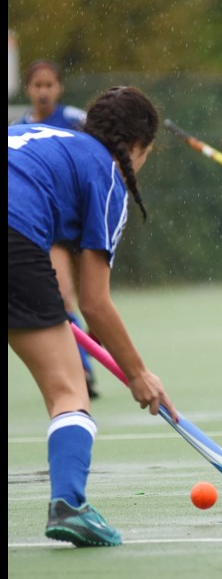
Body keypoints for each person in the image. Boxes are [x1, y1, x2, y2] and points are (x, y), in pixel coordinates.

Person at [8, 85, 179, 547]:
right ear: (139, 147)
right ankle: (69, 505)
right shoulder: (106, 175)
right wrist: (138, 373)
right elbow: (96, 304)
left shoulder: (41, 135)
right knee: (68, 390)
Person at [11, 59, 100, 399]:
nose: (43, 92)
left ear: (59, 88)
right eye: (37, 86)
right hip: (52, 228)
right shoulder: (21, 125)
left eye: (49, 85)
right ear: (29, 90)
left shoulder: (75, 119)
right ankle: (82, 369)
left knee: (96, 300)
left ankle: (92, 353)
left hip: (83, 219)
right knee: (63, 297)